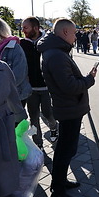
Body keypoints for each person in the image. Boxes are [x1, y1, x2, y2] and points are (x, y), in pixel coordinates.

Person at [37, 18, 97, 197]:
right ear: (64, 33)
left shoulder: (56, 52)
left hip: (69, 107)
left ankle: (59, 182)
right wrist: (89, 80)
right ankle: (58, 192)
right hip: (68, 108)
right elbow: (69, 86)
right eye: (73, 33)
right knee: (65, 150)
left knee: (66, 148)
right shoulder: (56, 54)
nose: (75, 36)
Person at [0, 31, 28, 197]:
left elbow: (13, 96)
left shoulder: (3, 67)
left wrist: (22, 120)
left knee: (1, 168)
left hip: (1, 125)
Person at [20, 17, 58, 150]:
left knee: (48, 113)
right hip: (31, 89)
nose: (22, 30)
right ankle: (38, 145)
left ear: (35, 28)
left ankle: (54, 127)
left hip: (46, 87)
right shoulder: (22, 44)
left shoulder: (47, 42)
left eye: (25, 27)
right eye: (22, 27)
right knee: (33, 117)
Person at [0, 16, 32, 107]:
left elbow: (19, 74)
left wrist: (0, 89)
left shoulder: (14, 47)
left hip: (16, 94)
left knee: (15, 120)